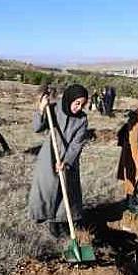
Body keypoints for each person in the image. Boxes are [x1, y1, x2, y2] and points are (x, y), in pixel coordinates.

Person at [27, 84, 89, 238]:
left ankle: (62, 220)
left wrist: (66, 162)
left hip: (69, 160)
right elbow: (37, 128)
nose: (79, 108)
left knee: (66, 192)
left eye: (82, 104)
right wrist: (41, 109)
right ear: (70, 99)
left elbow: (77, 144)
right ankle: (50, 220)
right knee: (48, 189)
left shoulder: (82, 119)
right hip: (50, 156)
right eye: (77, 103)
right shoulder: (54, 109)